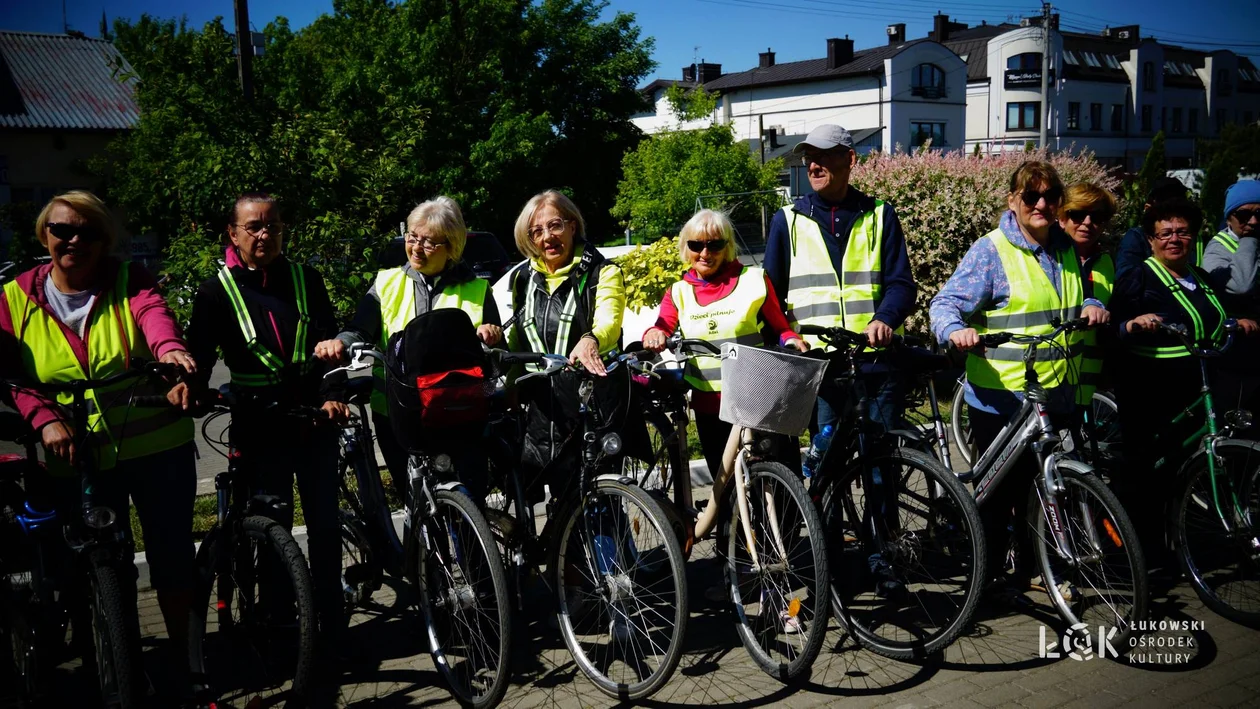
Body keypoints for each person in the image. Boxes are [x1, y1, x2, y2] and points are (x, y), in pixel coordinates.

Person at [0, 191, 202, 702]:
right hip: (75, 457)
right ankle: (112, 666)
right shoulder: (13, 299)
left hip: (157, 448)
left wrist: (172, 353)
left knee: (173, 561)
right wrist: (44, 418)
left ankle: (187, 663)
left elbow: (154, 317)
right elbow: (8, 374)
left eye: (88, 231)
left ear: (104, 240)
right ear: (44, 234)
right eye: (63, 230)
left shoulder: (128, 279)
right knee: (90, 570)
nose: (74, 240)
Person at [929, 161, 1109, 591]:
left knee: (1045, 488)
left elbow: (1086, 285)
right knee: (998, 496)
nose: (1041, 204)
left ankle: (1038, 569)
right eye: (1031, 196)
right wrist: (957, 331)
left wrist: (1093, 300)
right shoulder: (991, 251)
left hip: (1052, 391)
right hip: (1000, 397)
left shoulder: (1064, 247)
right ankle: (985, 582)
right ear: (1014, 201)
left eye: (1050, 196)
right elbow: (945, 304)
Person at [184, 192, 349, 658]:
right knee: (271, 531)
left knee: (324, 527)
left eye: (273, 226)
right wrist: (190, 387)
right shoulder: (217, 291)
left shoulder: (306, 279)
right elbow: (200, 354)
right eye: (254, 226)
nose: (264, 235)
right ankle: (280, 631)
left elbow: (329, 343)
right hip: (258, 425)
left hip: (313, 419)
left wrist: (334, 395)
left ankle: (334, 631)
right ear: (232, 235)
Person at [313, 196, 503, 503]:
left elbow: (497, 351)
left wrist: (491, 335)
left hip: (459, 412)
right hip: (398, 413)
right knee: (415, 503)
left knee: (469, 504)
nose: (415, 248)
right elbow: (359, 329)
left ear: (451, 246)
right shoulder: (386, 283)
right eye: (411, 237)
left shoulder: (478, 289)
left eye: (428, 243)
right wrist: (340, 342)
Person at [1109, 199, 1245, 558]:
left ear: (1193, 236)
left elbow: (1215, 317)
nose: (1174, 239)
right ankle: (1137, 549)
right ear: (1151, 240)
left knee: (1183, 466)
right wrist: (1132, 324)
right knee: (1147, 469)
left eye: (1182, 232)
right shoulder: (1139, 275)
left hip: (1196, 385)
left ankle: (1182, 537)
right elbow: (1114, 324)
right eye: (1165, 233)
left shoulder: (1199, 277)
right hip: (1150, 386)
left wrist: (1237, 322)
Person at [764, 124, 917, 442]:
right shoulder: (786, 221)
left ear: (849, 159)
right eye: (808, 157)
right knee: (827, 470)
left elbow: (901, 284)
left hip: (877, 362)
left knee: (880, 468)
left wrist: (885, 319)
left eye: (822, 156)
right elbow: (770, 298)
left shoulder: (880, 215)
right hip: (819, 366)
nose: (813, 165)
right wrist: (787, 338)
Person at [642, 209, 807, 484]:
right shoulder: (678, 291)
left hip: (758, 399)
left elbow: (781, 328)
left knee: (774, 483)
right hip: (710, 406)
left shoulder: (754, 281)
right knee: (725, 486)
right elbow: (662, 325)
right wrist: (654, 334)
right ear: (686, 248)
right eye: (696, 245)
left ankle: (784, 526)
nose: (705, 253)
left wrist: (792, 339)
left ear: (727, 246)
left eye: (714, 244)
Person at [506, 190, 637, 485]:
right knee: (562, 506)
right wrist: (511, 383)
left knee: (601, 507)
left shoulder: (601, 272)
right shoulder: (524, 278)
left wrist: (591, 339)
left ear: (572, 226)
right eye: (536, 231)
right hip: (544, 412)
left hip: (592, 406)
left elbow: (609, 322)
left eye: (555, 225)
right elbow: (518, 339)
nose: (547, 237)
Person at [1202, 180, 1260, 426]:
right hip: (1236, 356)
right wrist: (1249, 240)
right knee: (1237, 424)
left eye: (1259, 214)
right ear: (1229, 218)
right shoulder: (1218, 249)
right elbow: (1242, 285)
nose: (1253, 221)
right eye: (1244, 214)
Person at [1059, 182, 1118, 407]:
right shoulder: (1049, 259)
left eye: (1097, 217)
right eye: (1077, 214)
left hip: (1089, 382)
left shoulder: (1105, 262)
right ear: (1061, 217)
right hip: (1050, 378)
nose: (1087, 223)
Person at [1114, 176, 1190, 281]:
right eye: (1164, 211)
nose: (1174, 239)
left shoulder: (1193, 238)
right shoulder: (1136, 237)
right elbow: (1127, 279)